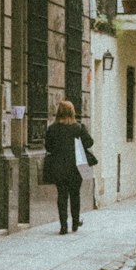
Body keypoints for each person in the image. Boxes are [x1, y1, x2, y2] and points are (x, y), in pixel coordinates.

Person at [42, 99, 96, 234]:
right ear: (72, 112)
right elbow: (89, 142)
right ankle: (75, 223)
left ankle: (63, 225)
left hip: (58, 167)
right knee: (75, 194)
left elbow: (48, 147)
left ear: (58, 112)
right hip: (75, 167)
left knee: (62, 195)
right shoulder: (78, 128)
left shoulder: (52, 129)